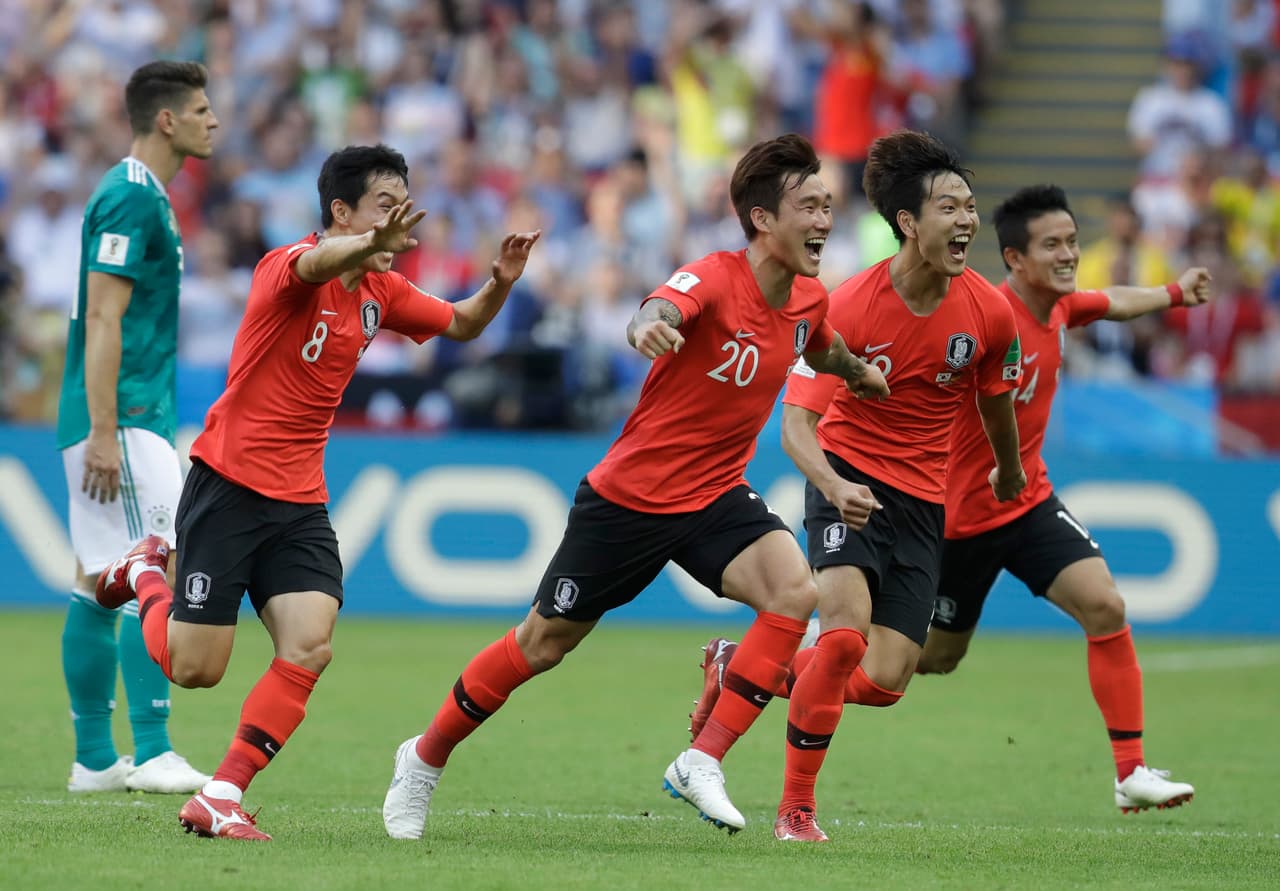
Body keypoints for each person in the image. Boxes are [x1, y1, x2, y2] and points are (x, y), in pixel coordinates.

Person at [379, 133, 890, 842]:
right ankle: (423, 757)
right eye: (809, 206)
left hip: (713, 494)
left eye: (828, 206)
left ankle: (702, 758)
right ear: (763, 219)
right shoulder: (712, 276)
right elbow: (655, 310)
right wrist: (648, 328)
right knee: (542, 643)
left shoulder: (807, 297)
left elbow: (821, 341)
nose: (826, 220)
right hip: (630, 497)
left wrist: (857, 371)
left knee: (795, 592)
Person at [93, 143, 542, 841]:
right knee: (194, 669)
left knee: (309, 643)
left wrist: (502, 282)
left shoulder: (382, 291)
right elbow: (314, 263)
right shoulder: (287, 268)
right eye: (385, 208)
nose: (401, 225)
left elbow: (462, 322)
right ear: (341, 211)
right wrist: (364, 245)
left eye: (402, 209)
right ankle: (149, 570)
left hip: (299, 500)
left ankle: (221, 792)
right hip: (229, 485)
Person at [690, 129, 1026, 842]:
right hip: (847, 478)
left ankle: (742, 663)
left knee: (885, 679)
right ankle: (796, 812)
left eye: (971, 205)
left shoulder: (989, 311)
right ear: (908, 223)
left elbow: (995, 396)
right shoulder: (849, 305)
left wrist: (1010, 465)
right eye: (950, 207)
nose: (968, 219)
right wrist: (833, 485)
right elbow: (797, 428)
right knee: (841, 640)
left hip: (923, 500)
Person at [916, 183, 1203, 813]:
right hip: (959, 522)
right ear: (1016, 259)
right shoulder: (984, 317)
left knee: (1104, 605)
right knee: (931, 659)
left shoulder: (1060, 307)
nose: (1069, 255)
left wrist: (1175, 292)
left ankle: (1130, 772)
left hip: (1026, 502)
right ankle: (786, 663)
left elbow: (1116, 302)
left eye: (1072, 241)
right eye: (1053, 245)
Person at [56, 60, 218, 795]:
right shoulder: (128, 197)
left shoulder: (148, 196)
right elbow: (103, 315)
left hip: (126, 412)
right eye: (202, 109)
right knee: (163, 562)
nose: (213, 120)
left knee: (100, 581)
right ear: (167, 120)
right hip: (120, 415)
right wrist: (101, 428)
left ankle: (94, 758)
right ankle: (151, 749)